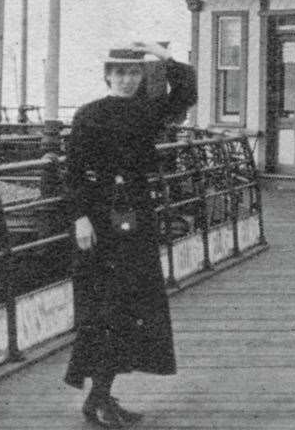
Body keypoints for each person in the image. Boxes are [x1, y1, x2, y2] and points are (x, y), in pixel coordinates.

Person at [64, 42, 197, 427]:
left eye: (134, 73)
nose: (126, 79)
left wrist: (161, 54)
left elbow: (186, 89)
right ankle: (98, 398)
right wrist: (80, 219)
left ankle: (101, 396)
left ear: (142, 76)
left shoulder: (147, 110)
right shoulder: (88, 115)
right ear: (107, 75)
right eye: (120, 73)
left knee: (132, 306)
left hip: (136, 216)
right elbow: (73, 173)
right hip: (99, 221)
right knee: (105, 306)